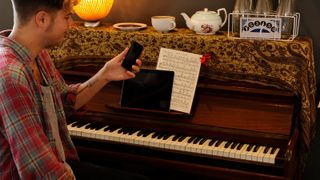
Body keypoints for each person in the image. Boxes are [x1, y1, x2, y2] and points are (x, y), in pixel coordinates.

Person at [0, 0, 147, 179]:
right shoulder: (10, 75)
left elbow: (65, 101)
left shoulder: (39, 55)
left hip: (60, 164)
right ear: (42, 19)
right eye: (67, 17)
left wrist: (105, 75)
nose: (71, 25)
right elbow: (39, 169)